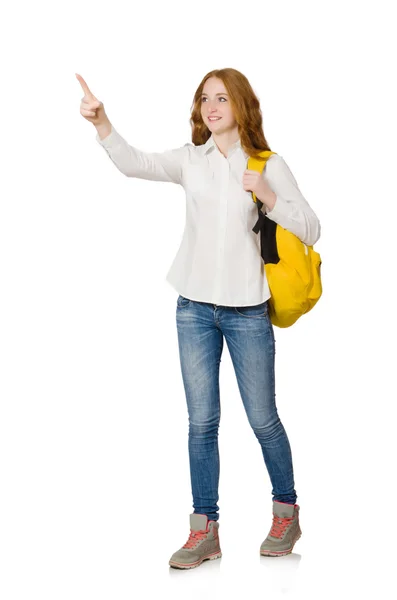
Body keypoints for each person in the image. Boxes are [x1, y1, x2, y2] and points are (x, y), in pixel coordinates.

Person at [77, 68, 321, 570]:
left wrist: (270, 197)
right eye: (205, 99)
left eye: (222, 98)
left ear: (241, 106)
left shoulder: (266, 164)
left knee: (263, 420)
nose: (212, 107)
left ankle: (285, 512)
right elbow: (135, 163)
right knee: (201, 423)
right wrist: (102, 123)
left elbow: (312, 228)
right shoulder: (191, 160)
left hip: (248, 310)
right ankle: (204, 529)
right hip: (193, 309)